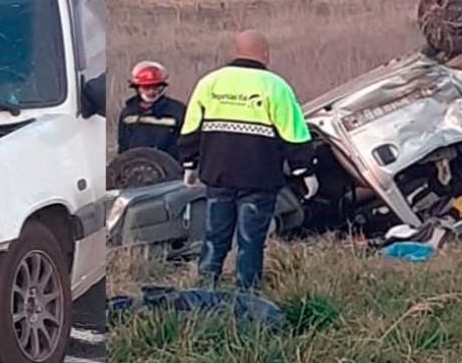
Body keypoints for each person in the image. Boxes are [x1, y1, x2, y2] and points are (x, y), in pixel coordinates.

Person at [177, 30, 318, 291]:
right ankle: (247, 293)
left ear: (236, 51)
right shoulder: (275, 86)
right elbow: (295, 134)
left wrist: (189, 164)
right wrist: (304, 170)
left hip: (218, 175)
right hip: (258, 178)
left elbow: (190, 129)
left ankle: (204, 289)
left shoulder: (210, 83)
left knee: (214, 236)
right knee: (250, 239)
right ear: (265, 54)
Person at [117, 61, 186, 162]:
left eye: (155, 87)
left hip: (170, 170)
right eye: (146, 87)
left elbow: (187, 143)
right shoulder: (128, 113)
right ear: (137, 88)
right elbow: (123, 146)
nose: (151, 92)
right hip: (136, 169)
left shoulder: (177, 111)